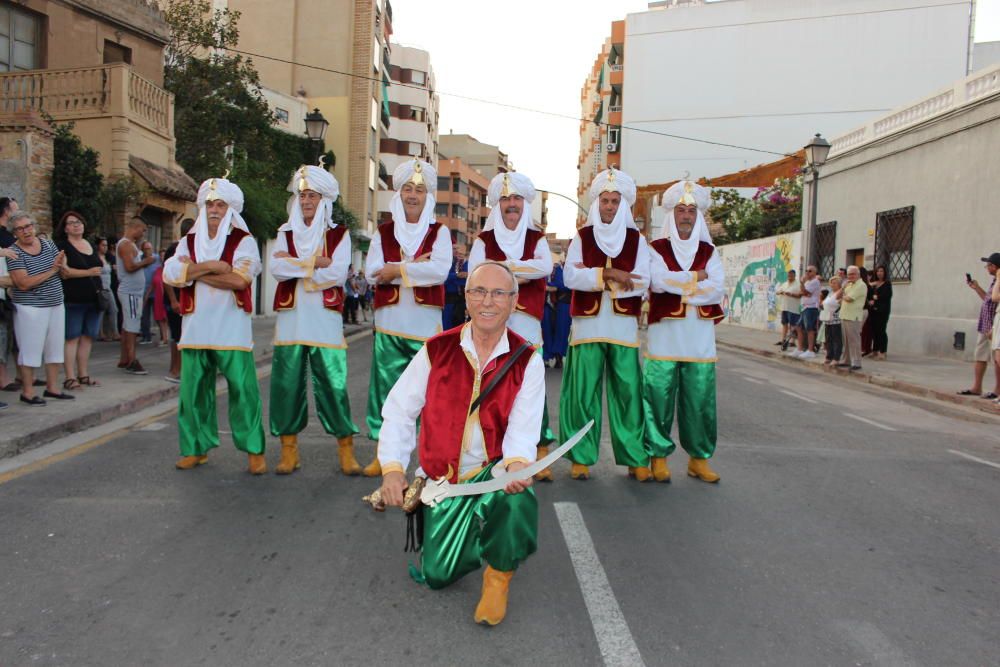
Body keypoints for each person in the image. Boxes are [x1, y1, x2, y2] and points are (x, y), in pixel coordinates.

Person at [376, 261, 544, 626]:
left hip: (491, 474)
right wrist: (392, 469)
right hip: (443, 482)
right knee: (438, 576)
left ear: (514, 302)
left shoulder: (528, 359)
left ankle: (498, 576)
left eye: (499, 293)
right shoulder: (436, 349)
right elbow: (399, 411)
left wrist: (516, 466)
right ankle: (470, 534)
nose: (488, 301)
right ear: (466, 298)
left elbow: (523, 430)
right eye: (479, 291)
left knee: (516, 498)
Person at [163, 176, 266, 473]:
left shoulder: (242, 241)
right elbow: (170, 274)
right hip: (195, 328)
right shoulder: (189, 240)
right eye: (209, 204)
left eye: (220, 204)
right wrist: (210, 266)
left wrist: (192, 274)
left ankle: (254, 450)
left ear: (230, 209)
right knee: (193, 392)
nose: (214, 210)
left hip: (232, 329)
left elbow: (239, 279)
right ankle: (195, 447)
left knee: (243, 391)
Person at [268, 165, 361, 476]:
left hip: (324, 321)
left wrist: (297, 266)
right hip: (291, 320)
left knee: (333, 386)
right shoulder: (286, 232)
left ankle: (345, 448)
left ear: (324, 200)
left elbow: (336, 274)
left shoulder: (339, 234)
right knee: (286, 385)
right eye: (302, 195)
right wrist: (313, 263)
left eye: (312, 195)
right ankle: (288, 450)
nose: (306, 201)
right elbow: (276, 270)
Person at [361, 158, 452, 476]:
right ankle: (384, 456)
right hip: (389, 325)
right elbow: (372, 272)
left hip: (425, 328)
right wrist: (416, 265)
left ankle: (431, 457)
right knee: (385, 393)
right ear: (398, 194)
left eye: (420, 190)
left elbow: (439, 272)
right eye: (408, 189)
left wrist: (396, 269)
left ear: (428, 196)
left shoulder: (439, 233)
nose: (413, 195)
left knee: (429, 394)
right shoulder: (383, 232)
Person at [560, 167, 649, 481]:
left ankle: (636, 457)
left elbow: (642, 281)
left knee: (628, 393)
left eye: (614, 201)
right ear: (596, 203)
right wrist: (610, 275)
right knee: (583, 394)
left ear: (623, 204)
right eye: (604, 200)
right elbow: (571, 276)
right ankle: (580, 456)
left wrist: (593, 276)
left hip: (623, 329)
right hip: (586, 328)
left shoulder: (637, 240)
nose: (609, 206)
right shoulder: (582, 238)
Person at [467, 172, 555, 477]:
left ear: (524, 202)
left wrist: (501, 270)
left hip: (527, 325)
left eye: (516, 198)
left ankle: (538, 451)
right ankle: (491, 451)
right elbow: (474, 274)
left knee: (531, 389)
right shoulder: (484, 240)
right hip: (490, 326)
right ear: (497, 205)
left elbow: (545, 267)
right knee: (491, 386)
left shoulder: (537, 238)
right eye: (505, 199)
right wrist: (518, 272)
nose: (511, 204)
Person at [643, 180, 725, 484]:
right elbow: (657, 281)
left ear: (698, 215)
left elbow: (715, 289)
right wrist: (696, 279)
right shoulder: (657, 249)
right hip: (665, 337)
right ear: (671, 214)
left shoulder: (709, 250)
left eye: (691, 210)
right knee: (658, 399)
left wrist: (680, 287)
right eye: (681, 210)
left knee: (700, 401)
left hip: (700, 340)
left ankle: (699, 459)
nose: (686, 215)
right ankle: (658, 457)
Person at [5, 212, 73, 405]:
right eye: (20, 228)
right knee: (30, 349)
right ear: (14, 233)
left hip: (56, 303)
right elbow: (23, 283)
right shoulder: (13, 252)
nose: (26, 231)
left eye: (28, 226)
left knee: (55, 348)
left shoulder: (48, 243)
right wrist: (52, 270)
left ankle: (52, 388)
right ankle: (27, 392)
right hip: (30, 307)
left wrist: (63, 267)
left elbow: (60, 267)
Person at [55, 211, 103, 389]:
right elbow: (64, 272)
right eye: (71, 223)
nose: (76, 225)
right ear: (65, 228)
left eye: (79, 222)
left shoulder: (89, 244)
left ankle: (83, 374)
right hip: (73, 299)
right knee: (72, 337)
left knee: (87, 337)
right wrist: (89, 272)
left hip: (94, 298)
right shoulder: (62, 246)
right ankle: (70, 377)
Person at [116, 218, 155, 374]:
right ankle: (132, 360)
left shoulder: (130, 245)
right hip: (130, 291)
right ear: (136, 228)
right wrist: (146, 261)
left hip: (134, 292)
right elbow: (130, 266)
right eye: (143, 230)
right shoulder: (125, 245)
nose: (143, 234)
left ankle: (125, 358)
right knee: (132, 326)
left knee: (128, 325)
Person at [961, 253, 1000, 398]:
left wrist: (994, 327)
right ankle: (977, 387)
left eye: (988, 265)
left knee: (997, 358)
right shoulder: (994, 281)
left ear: (994, 266)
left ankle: (997, 391)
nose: (987, 268)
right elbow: (988, 300)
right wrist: (977, 288)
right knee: (980, 356)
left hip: (994, 325)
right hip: (985, 324)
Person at [161, 218, 194, 383]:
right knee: (178, 336)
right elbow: (166, 277)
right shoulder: (176, 249)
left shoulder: (191, 249)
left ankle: (182, 369)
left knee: (183, 336)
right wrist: (174, 301)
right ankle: (175, 370)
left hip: (186, 300)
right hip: (176, 300)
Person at [0, 197, 18, 394]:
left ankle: (12, 376)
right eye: (15, 209)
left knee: (7, 337)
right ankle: (3, 379)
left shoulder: (8, 235)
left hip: (7, 293)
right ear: (6, 211)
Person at [837, 266, 867, 371]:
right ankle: (846, 360)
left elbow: (849, 299)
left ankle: (857, 362)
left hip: (853, 316)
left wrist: (843, 296)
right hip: (845, 314)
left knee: (854, 340)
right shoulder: (848, 285)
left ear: (858, 274)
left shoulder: (861, 285)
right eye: (849, 274)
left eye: (853, 274)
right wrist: (843, 288)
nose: (851, 276)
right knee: (846, 341)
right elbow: (838, 296)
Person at [542, 261, 570, 368]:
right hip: (546, 304)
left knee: (561, 332)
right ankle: (546, 357)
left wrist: (552, 286)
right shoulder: (545, 269)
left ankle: (558, 356)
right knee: (546, 331)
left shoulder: (561, 269)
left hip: (563, 303)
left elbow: (566, 284)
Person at [95, 238, 120, 342]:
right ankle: (100, 333)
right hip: (101, 288)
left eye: (106, 245)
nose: (105, 247)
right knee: (101, 310)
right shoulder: (96, 258)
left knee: (114, 309)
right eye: (103, 245)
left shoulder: (107, 257)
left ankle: (114, 332)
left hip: (108, 287)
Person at [794, 265, 821, 359]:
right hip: (804, 307)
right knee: (798, 327)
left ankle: (810, 350)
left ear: (814, 273)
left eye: (810, 271)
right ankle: (800, 348)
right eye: (806, 271)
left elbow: (805, 293)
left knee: (810, 329)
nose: (807, 272)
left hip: (811, 307)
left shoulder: (815, 282)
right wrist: (803, 288)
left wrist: (802, 285)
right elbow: (802, 292)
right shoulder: (807, 282)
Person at [138, 240, 161, 345]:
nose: (148, 250)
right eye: (146, 248)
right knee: (144, 314)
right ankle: (146, 336)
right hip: (143, 290)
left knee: (159, 315)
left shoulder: (157, 259)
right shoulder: (140, 259)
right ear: (142, 249)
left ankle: (163, 336)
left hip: (156, 291)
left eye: (150, 248)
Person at [868, 265, 892, 360]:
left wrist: (875, 298)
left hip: (883, 311)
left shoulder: (887, 284)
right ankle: (875, 350)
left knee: (881, 330)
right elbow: (869, 293)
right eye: (878, 271)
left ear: (885, 272)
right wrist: (871, 299)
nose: (879, 273)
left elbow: (887, 296)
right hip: (873, 310)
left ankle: (883, 351)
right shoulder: (874, 284)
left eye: (881, 271)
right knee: (874, 331)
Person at [775, 269, 800, 348]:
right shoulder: (785, 284)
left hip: (793, 307)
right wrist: (781, 292)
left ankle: (792, 341)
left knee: (793, 325)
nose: (790, 276)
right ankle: (783, 339)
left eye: (791, 275)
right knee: (784, 324)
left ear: (794, 275)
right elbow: (777, 291)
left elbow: (800, 295)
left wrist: (791, 294)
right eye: (789, 275)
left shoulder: (798, 284)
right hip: (784, 307)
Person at [822, 277, 843, 366]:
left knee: (836, 339)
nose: (832, 284)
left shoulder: (840, 293)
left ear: (839, 284)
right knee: (828, 338)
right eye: (831, 283)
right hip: (827, 318)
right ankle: (829, 356)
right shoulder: (830, 293)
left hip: (836, 319)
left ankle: (836, 357)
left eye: (835, 283)